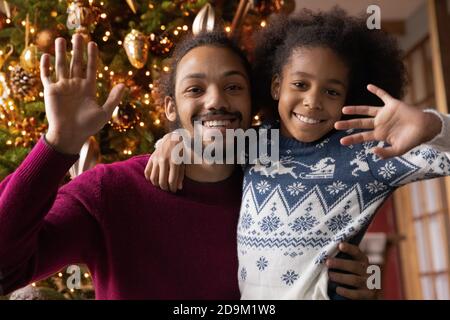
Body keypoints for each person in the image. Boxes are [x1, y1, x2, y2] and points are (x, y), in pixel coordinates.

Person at [0, 32, 372, 299]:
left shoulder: (280, 188)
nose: (216, 102)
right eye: (195, 89)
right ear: (170, 108)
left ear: (252, 103)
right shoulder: (110, 191)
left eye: (233, 87)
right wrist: (58, 144)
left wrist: (356, 289)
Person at [146, 9, 450, 300]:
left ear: (347, 96)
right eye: (300, 84)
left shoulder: (367, 151)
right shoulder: (255, 143)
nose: (312, 101)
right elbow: (206, 139)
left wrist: (432, 125)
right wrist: (172, 140)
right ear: (277, 86)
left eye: (331, 92)